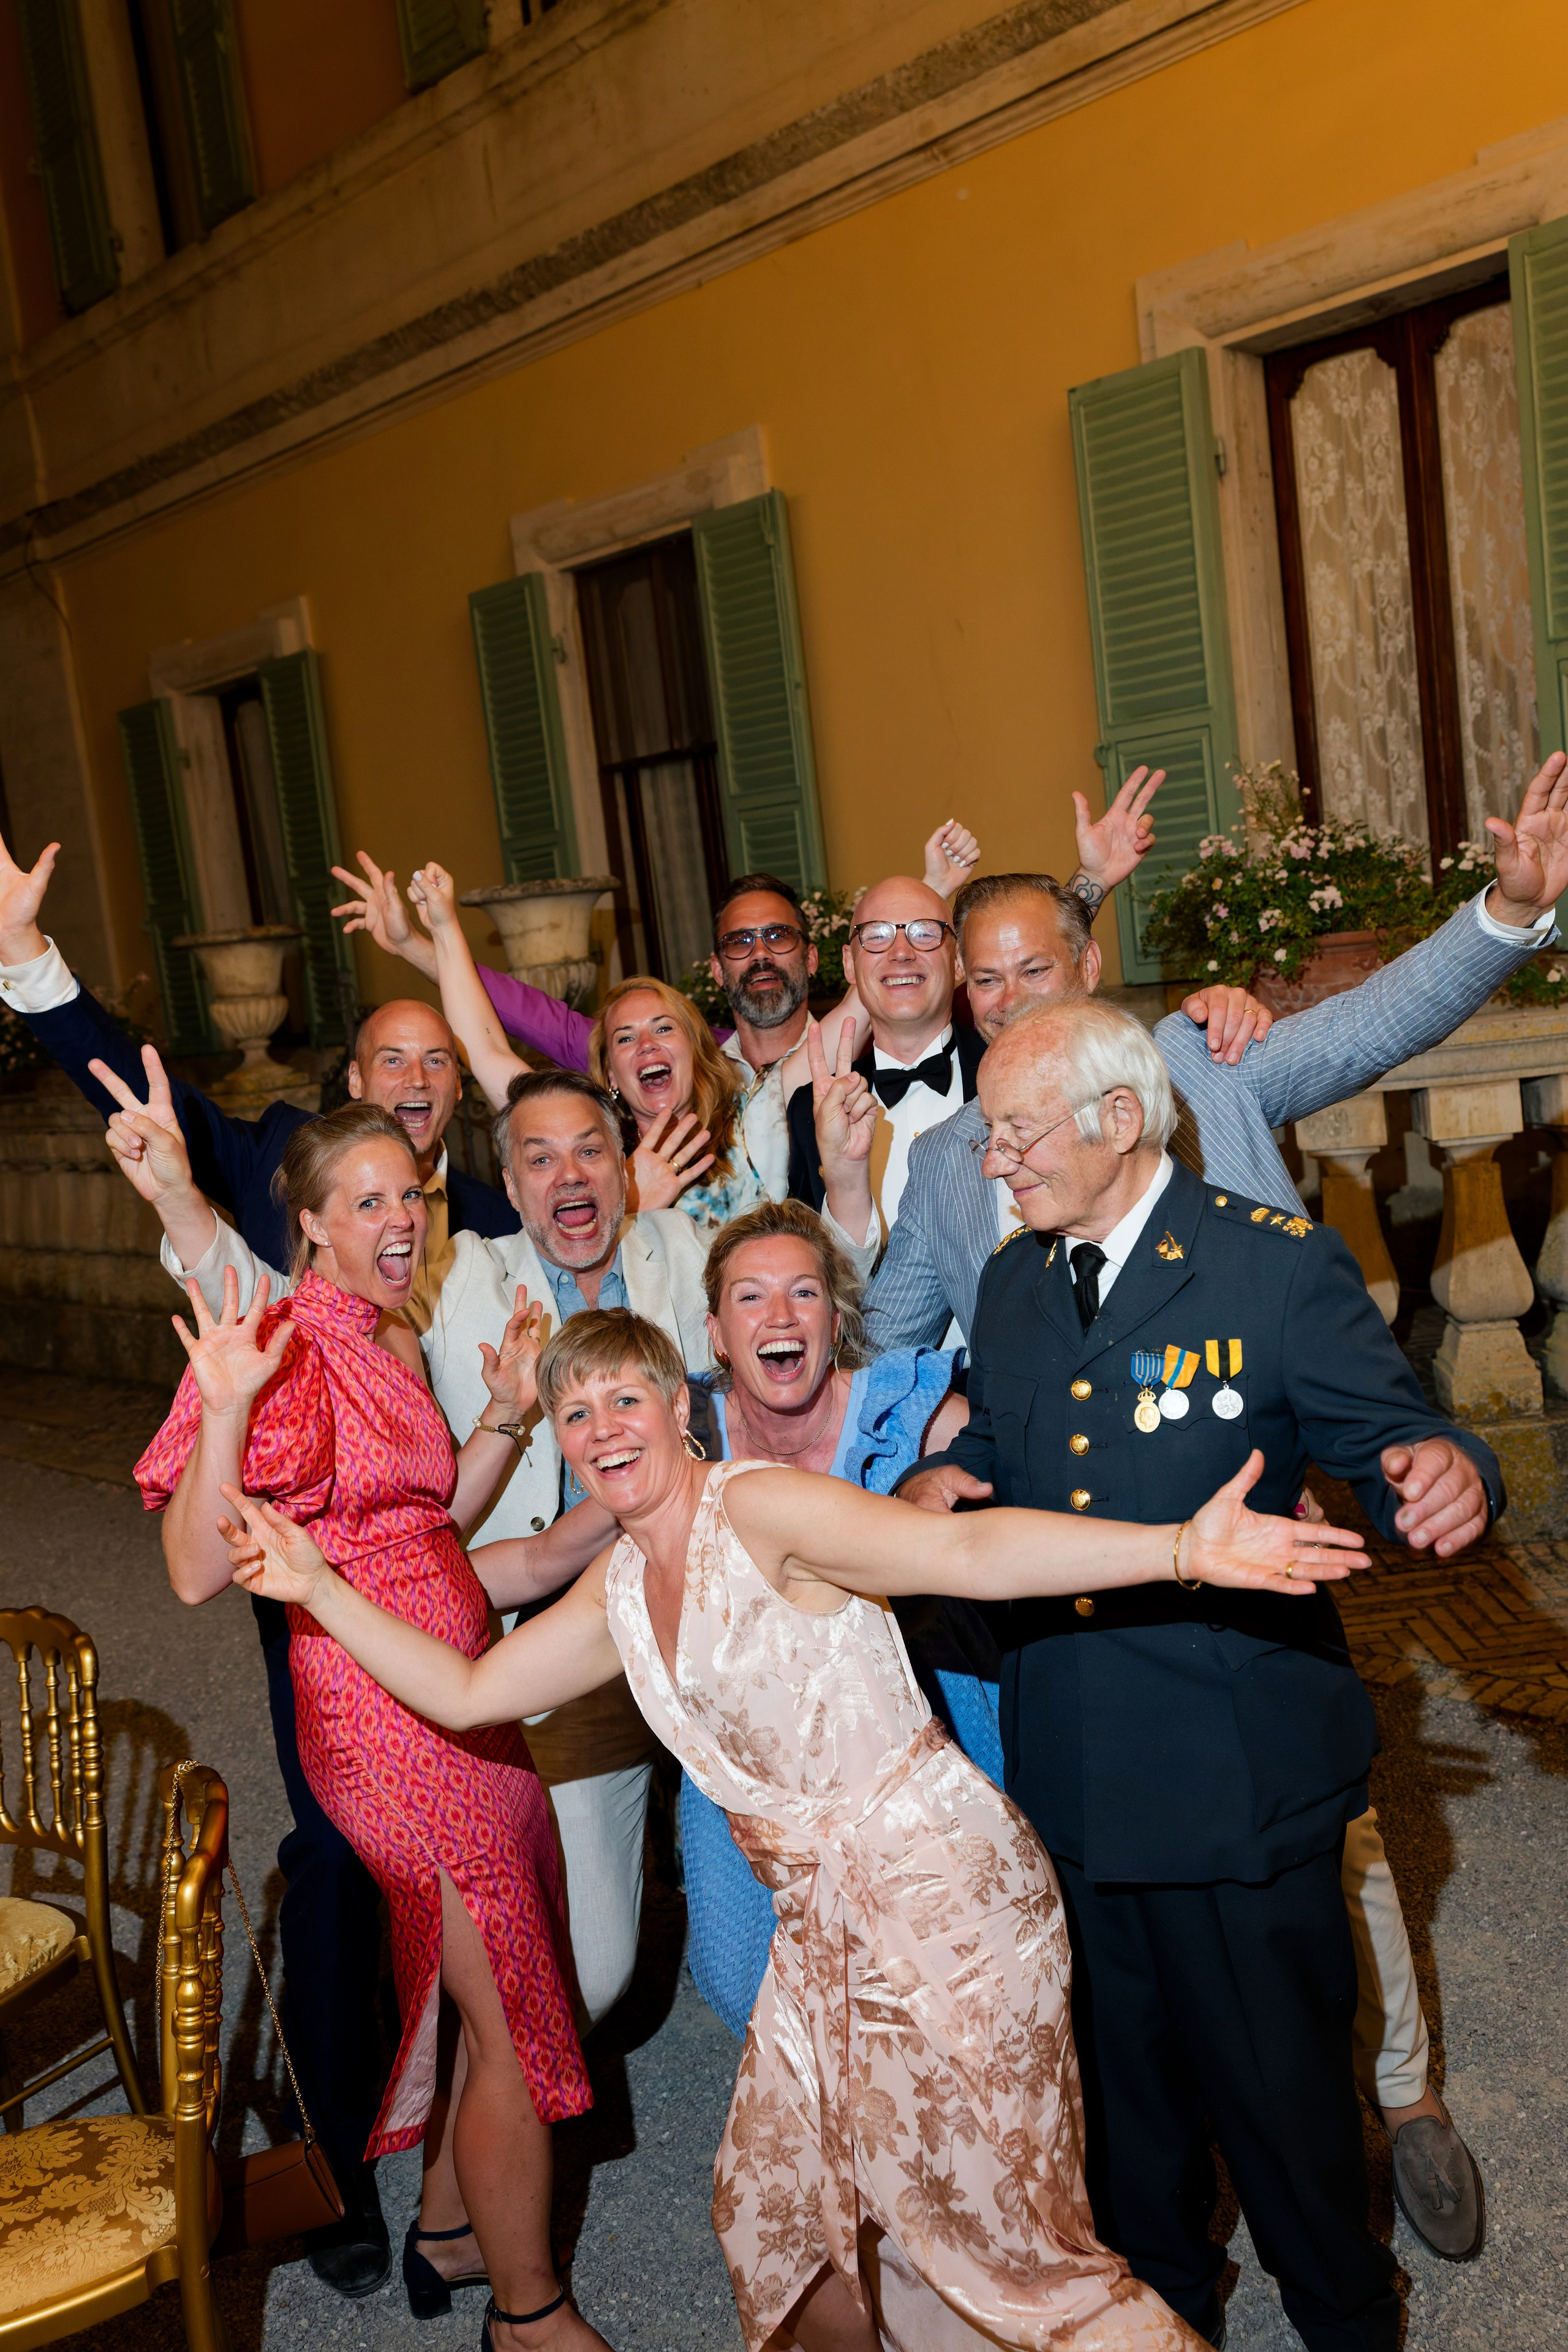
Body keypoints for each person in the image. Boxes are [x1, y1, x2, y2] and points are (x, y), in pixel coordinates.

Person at [219, 1303, 1373, 2352]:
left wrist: (1180, 1549)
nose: (604, 1426)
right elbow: (471, 1693)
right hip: (821, 1927)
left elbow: (964, 1554)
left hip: (945, 1901)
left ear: (681, 1408)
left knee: (1011, 2255)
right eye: (575, 1411)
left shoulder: (759, 1508)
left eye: (628, 1397)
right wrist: (321, 1591)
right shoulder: (619, 1587)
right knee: (780, 2221)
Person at [817, 757, 1568, 2249]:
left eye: (1036, 963)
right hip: (1077, 1584)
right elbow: (886, 1322)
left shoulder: (1197, 1059)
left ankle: (1398, 2103)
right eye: (984, 978)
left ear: (1089, 959)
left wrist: (1506, 911)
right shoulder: (969, 1159)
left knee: (1324, 1853)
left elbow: (1371, 1020)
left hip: (1252, 1538)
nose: (1006, 991)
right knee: (1133, 1950)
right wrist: (877, 1287)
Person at [898, 1001, 1504, 2348]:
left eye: (1012, 1132)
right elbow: (1013, 1448)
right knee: (1122, 2119)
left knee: (1283, 2111)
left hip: (1234, 1782)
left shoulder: (1268, 1268)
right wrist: (953, 1478)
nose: (990, 1161)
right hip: (1071, 1769)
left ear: (1119, 1121)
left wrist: (1444, 1473)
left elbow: (1392, 1433)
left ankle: (1346, 2317)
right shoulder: (1011, 1280)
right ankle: (1159, 2315)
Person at [0, 826, 525, 2294]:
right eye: (391, 1059)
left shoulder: (483, 1200)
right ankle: (350, 2163)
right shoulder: (298, 1170)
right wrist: (36, 975)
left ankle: (455, 2179)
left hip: (468, 1593)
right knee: (351, 1869)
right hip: (312, 1585)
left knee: (483, 1908)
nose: (418, 1086)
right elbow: (187, 1198)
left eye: (439, 1063)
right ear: (350, 1089)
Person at [116, 1059, 876, 2037]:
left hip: (712, 1627)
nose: (570, 1175)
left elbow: (807, 1290)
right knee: (582, 1981)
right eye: (538, 1158)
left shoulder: (688, 1249)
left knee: (800, 1898)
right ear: (505, 1186)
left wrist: (846, 1187)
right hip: (551, 1643)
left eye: (591, 1150)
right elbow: (292, 1303)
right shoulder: (455, 1270)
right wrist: (182, 1201)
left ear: (627, 1168)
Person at [138, 1107, 611, 2351]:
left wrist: (507, 1413)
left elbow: (422, 1518)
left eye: (410, 1194)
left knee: (476, 1984)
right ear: (309, 1225)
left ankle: (453, 2229)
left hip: (460, 1683)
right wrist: (228, 1406)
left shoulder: (383, 1328)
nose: (401, 1218)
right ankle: (528, 2311)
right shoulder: (281, 1347)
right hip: (382, 1720)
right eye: (367, 1202)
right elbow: (194, 1569)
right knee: (506, 1998)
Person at [673, 1197, 997, 2037]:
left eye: (804, 1294)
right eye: (751, 1297)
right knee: (741, 1976)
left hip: (922, 1717)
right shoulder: (684, 1437)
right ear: (715, 1331)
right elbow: (574, 1557)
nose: (779, 1316)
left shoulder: (915, 1410)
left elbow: (1016, 1488)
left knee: (955, 1964)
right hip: (756, 1742)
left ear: (836, 1318)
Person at [331, 824, 987, 1208]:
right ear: (607, 1066)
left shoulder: (759, 1104)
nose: (646, 1045)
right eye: (624, 1037)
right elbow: (490, 1047)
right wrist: (437, 934)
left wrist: (927, 900)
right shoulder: (592, 1138)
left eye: (663, 1028)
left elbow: (869, 997)